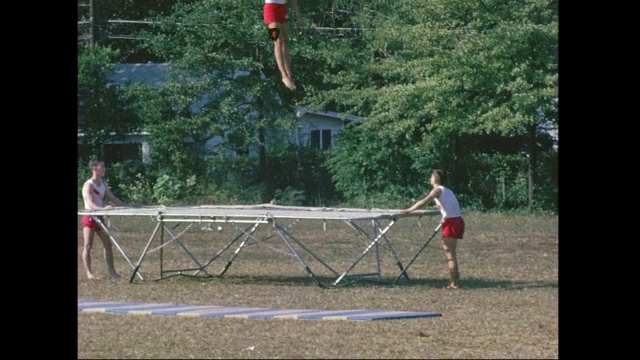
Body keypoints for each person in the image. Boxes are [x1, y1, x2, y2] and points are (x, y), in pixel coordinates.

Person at [400, 169, 465, 289]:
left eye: (431, 176)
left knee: (450, 254)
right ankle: (455, 277)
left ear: (435, 178)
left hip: (451, 222)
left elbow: (424, 201)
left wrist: (409, 210)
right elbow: (450, 206)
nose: (430, 179)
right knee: (451, 252)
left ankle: (454, 283)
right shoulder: (448, 190)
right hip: (457, 221)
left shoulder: (437, 190)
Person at [80, 159, 125, 280]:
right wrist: (103, 208)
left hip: (100, 216)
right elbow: (90, 202)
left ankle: (112, 273)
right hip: (90, 217)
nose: (104, 169)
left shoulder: (103, 184)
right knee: (88, 245)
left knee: (108, 244)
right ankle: (89, 273)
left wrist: (125, 206)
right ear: (95, 168)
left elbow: (113, 197)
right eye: (102, 166)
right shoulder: (88, 184)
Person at [263, 0, 303, 91]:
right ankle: (284, 75)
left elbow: (294, 2)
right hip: (270, 10)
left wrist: (299, 18)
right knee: (277, 41)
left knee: (286, 41)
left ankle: (289, 73)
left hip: (282, 10)